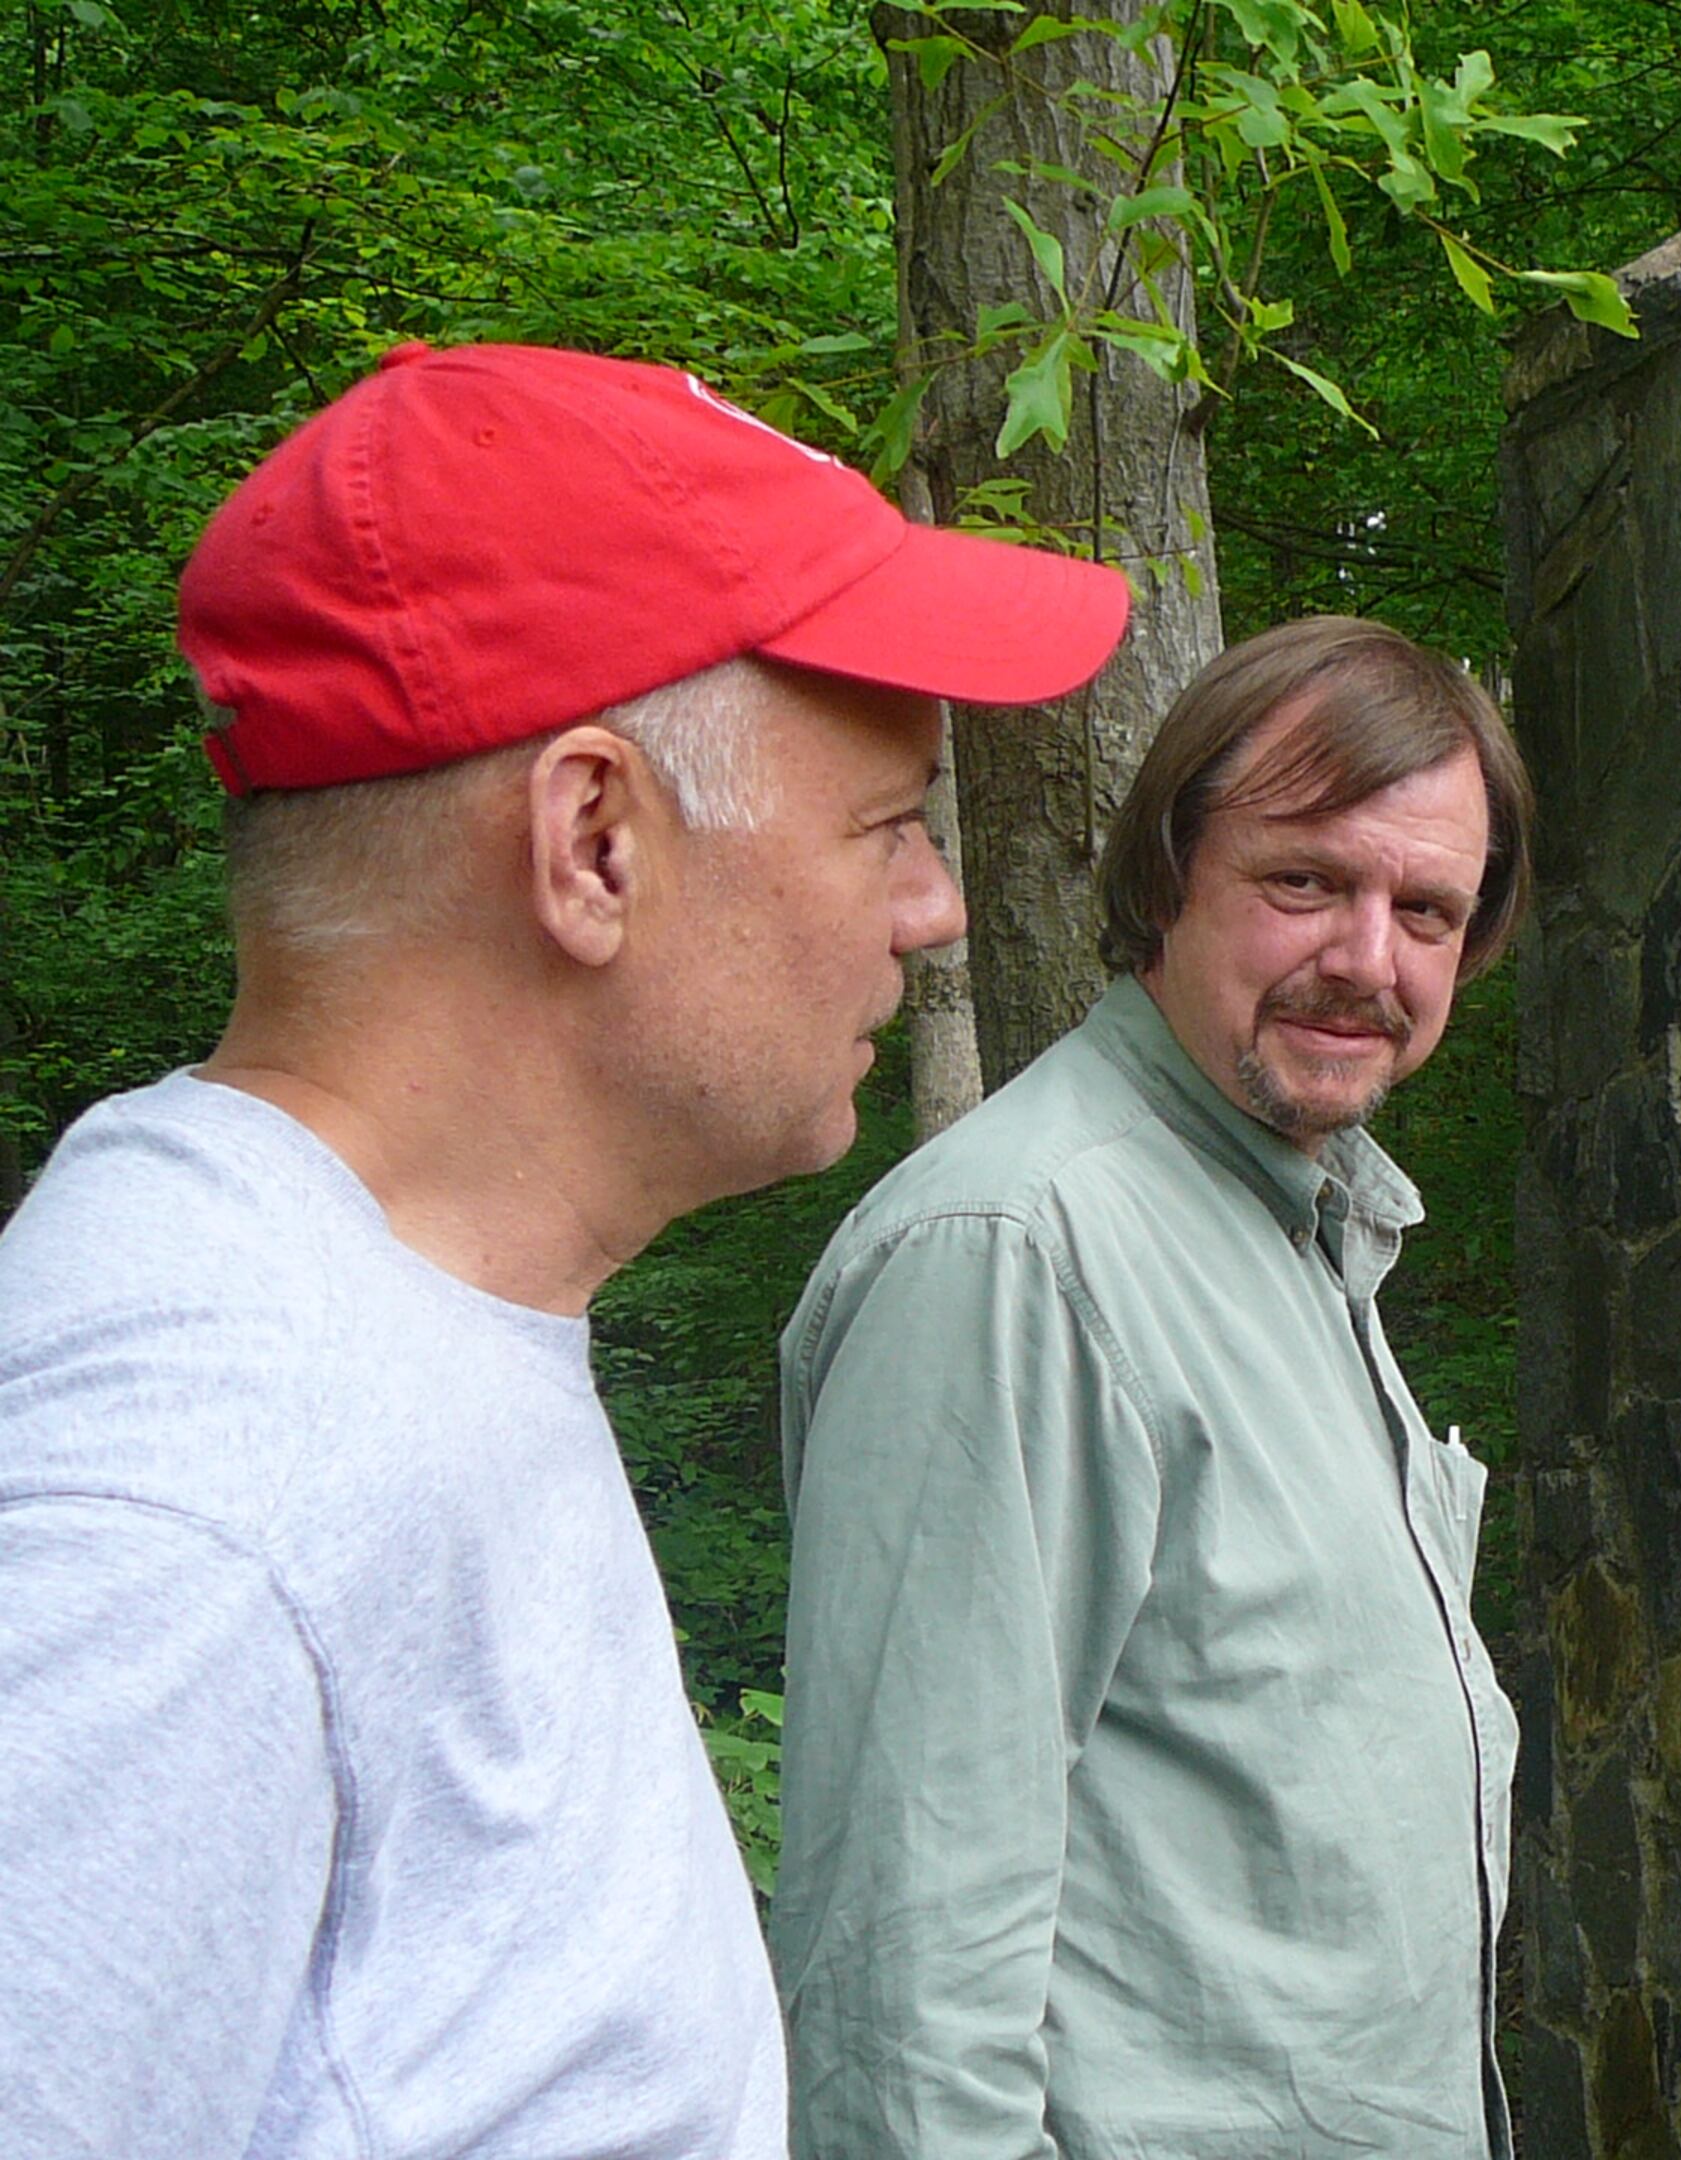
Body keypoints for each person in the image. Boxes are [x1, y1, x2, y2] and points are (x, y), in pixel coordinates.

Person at [0, 341, 1128, 2159]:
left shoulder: (411, 1318)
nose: (931, 912)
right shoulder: (182, 1509)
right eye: (891, 828)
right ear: (595, 842)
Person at [771, 617, 1533, 2159]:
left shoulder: (1306, 1227)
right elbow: (903, 1991)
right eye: (1305, 881)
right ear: (1167, 878)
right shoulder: (1016, 1254)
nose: (1368, 959)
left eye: (1429, 910)